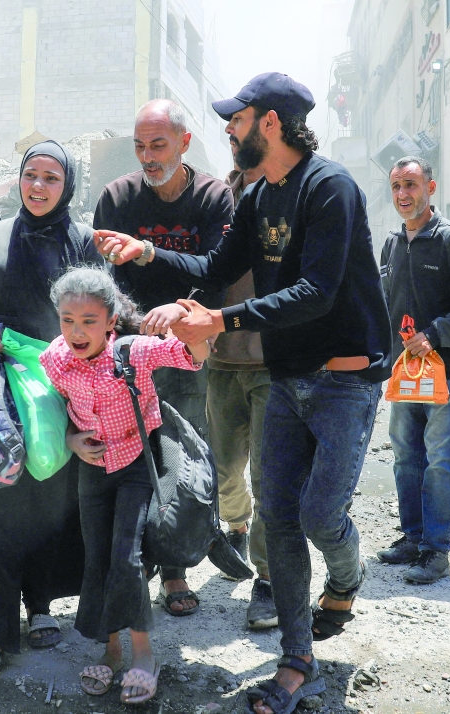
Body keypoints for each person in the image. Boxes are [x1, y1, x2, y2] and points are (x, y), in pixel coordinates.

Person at [94, 72, 393, 714]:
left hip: (344, 381)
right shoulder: (257, 197)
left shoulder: (330, 188)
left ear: (271, 123)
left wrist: (219, 321)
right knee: (277, 517)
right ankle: (298, 660)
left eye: (237, 119)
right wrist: (146, 254)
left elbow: (317, 292)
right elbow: (212, 269)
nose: (229, 130)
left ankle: (346, 577)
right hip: (287, 379)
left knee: (319, 517)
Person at [0, 140, 94, 676]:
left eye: (51, 178)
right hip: (2, 390)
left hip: (64, 388)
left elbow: (102, 312)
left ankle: (41, 606)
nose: (38, 186)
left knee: (51, 498)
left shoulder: (83, 241)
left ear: (68, 186)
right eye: (30, 175)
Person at [39, 267, 209, 706]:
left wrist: (183, 315)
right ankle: (111, 651)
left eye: (88, 321)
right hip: (93, 470)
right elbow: (57, 408)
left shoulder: (134, 352)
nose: (76, 332)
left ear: (111, 321)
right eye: (67, 320)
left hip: (137, 463)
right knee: (97, 556)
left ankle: (144, 654)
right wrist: (71, 440)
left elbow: (195, 355)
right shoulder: (55, 357)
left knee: (126, 557)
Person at [93, 98, 234, 617]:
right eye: (140, 146)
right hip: (127, 351)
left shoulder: (214, 198)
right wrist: (124, 333)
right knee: (127, 455)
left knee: (184, 451)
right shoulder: (117, 197)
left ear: (184, 143)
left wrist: (179, 304)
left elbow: (217, 270)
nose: (148, 156)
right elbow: (104, 279)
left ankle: (175, 566)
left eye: (158, 145)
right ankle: (131, 564)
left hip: (186, 347)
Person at [377, 157, 450, 584]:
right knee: (406, 457)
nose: (403, 194)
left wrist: (437, 333)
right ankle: (413, 538)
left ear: (431, 187)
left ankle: (436, 550)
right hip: (406, 374)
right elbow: (383, 304)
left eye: (411, 184)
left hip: (447, 375)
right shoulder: (391, 244)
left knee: (441, 461)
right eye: (396, 186)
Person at [208, 153, 277, 629]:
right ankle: (236, 524)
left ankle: (268, 578)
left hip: (274, 361)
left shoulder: (292, 194)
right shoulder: (217, 199)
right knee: (226, 467)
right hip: (221, 359)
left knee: (269, 475)